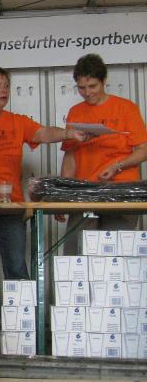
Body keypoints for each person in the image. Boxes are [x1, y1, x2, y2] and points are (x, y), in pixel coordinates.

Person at [0, 67, 87, 304]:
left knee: (16, 265)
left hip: (9, 207)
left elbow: (43, 133)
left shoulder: (17, 122)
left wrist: (68, 134)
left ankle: (22, 319)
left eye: (7, 86)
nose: (4, 90)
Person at [58, 53, 147, 254]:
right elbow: (70, 156)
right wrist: (63, 195)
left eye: (92, 86)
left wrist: (117, 166)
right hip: (84, 192)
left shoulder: (126, 108)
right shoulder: (75, 112)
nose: (87, 93)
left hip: (121, 190)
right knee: (76, 255)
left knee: (117, 254)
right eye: (81, 88)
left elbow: (143, 150)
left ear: (104, 80)